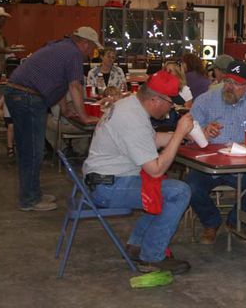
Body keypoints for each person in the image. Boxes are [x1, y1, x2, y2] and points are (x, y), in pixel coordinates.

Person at [83, 71, 194, 274]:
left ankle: (137, 245)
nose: (171, 108)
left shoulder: (131, 106)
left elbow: (150, 140)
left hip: (106, 179)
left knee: (162, 189)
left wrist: (184, 137)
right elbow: (156, 169)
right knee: (178, 191)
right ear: (155, 100)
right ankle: (151, 257)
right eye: (170, 103)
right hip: (108, 186)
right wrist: (178, 133)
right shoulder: (132, 118)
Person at [5, 26, 101, 211]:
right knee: (33, 150)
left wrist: (64, 108)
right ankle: (29, 199)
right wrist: (84, 117)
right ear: (83, 43)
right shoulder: (74, 53)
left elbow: (59, 83)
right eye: (91, 47)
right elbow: (74, 86)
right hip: (28, 97)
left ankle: (33, 193)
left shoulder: (62, 47)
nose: (92, 52)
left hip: (21, 94)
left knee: (29, 149)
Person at [187, 60, 246, 245]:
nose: (229, 87)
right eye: (227, 81)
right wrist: (202, 131)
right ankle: (211, 222)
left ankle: (235, 220)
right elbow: (187, 131)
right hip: (208, 164)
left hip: (243, 166)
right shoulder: (205, 100)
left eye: (236, 84)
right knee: (190, 188)